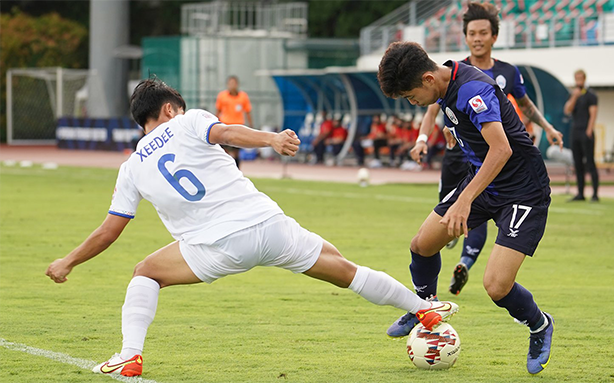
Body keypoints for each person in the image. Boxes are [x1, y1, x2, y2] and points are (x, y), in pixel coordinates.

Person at [45, 78, 457, 377]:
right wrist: (272, 139)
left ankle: (130, 354)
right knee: (344, 268)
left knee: (145, 273)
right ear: (169, 109)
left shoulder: (131, 167)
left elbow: (109, 230)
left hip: (213, 248)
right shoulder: (188, 122)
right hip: (268, 226)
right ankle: (424, 309)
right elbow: (226, 132)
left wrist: (69, 260)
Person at [377, 41, 563, 374]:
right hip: (484, 182)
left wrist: (464, 200)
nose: (413, 103)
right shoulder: (445, 87)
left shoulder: (473, 89)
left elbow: (501, 149)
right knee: (422, 244)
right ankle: (423, 307)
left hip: (523, 191)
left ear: (429, 79)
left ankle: (539, 325)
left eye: (410, 96)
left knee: (496, 286)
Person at [410, 2, 563, 297]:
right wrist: (427, 137)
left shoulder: (505, 73)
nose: (477, 38)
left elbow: (526, 107)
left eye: (483, 33)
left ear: (493, 37)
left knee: (468, 216)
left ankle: (466, 260)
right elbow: (434, 108)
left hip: (505, 162)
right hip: (467, 158)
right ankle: (430, 300)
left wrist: (549, 128)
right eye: (471, 33)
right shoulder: (448, 73)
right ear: (465, 37)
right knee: (431, 235)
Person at [563, 69, 599, 202]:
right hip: (575, 131)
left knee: (590, 162)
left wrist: (589, 130)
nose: (578, 81)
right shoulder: (573, 95)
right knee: (577, 163)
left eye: (580, 78)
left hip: (586, 131)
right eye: (576, 78)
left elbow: (593, 113)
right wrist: (574, 96)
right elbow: (567, 110)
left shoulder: (591, 95)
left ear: (584, 79)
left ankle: (595, 193)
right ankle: (580, 193)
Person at [215, 75, 252, 168]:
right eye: (230, 83)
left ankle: (237, 170)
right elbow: (218, 111)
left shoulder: (243, 97)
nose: (232, 85)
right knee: (224, 152)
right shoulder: (222, 96)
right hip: (225, 126)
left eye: (234, 83)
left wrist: (251, 125)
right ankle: (224, 170)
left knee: (236, 152)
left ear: (237, 84)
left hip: (238, 126)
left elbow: (248, 112)